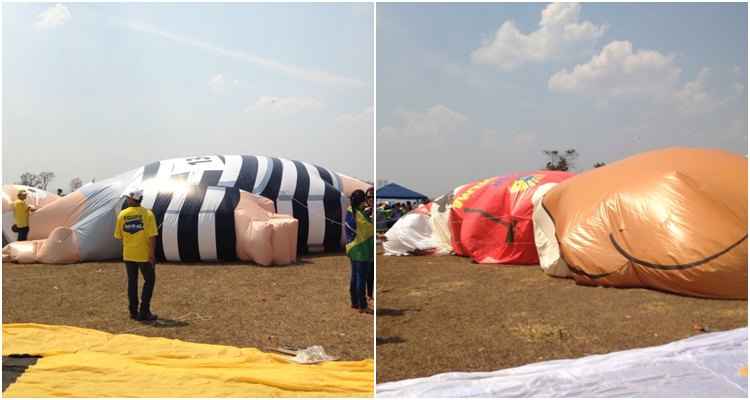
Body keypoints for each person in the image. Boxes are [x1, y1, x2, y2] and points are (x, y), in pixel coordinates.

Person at [114, 190, 159, 322]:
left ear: (132, 199)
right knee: (149, 281)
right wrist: (151, 255)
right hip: (144, 255)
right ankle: (144, 311)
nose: (127, 200)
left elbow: (119, 236)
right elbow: (152, 237)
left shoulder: (122, 214)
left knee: (132, 282)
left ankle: (133, 312)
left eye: (128, 198)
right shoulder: (148, 214)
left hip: (128, 254)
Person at [345, 189, 373, 313]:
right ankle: (362, 304)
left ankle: (355, 302)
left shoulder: (350, 210)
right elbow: (368, 229)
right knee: (361, 277)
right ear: (362, 200)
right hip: (360, 249)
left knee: (355, 276)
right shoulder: (360, 215)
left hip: (352, 248)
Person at [364, 187, 375, 302]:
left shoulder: (376, 211)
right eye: (369, 197)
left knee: (371, 271)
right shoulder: (363, 212)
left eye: (373, 196)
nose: (371, 199)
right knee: (363, 272)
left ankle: (370, 294)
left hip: (371, 246)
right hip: (363, 246)